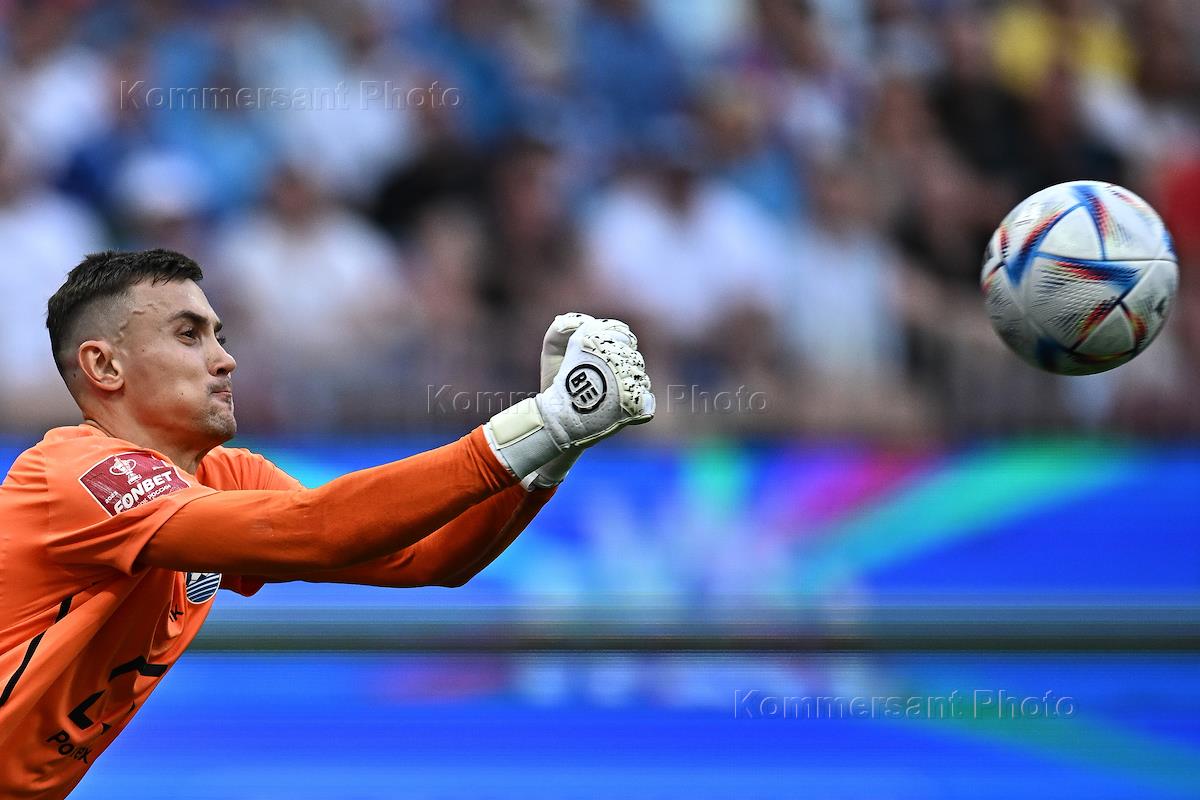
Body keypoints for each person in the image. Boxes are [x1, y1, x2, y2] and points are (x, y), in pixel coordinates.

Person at [0, 249, 654, 797]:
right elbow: (316, 529)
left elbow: (429, 556)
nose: (224, 359)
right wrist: (544, 418)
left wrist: (555, 444)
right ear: (104, 366)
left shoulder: (225, 476)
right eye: (188, 334)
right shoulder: (80, 476)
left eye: (220, 336)